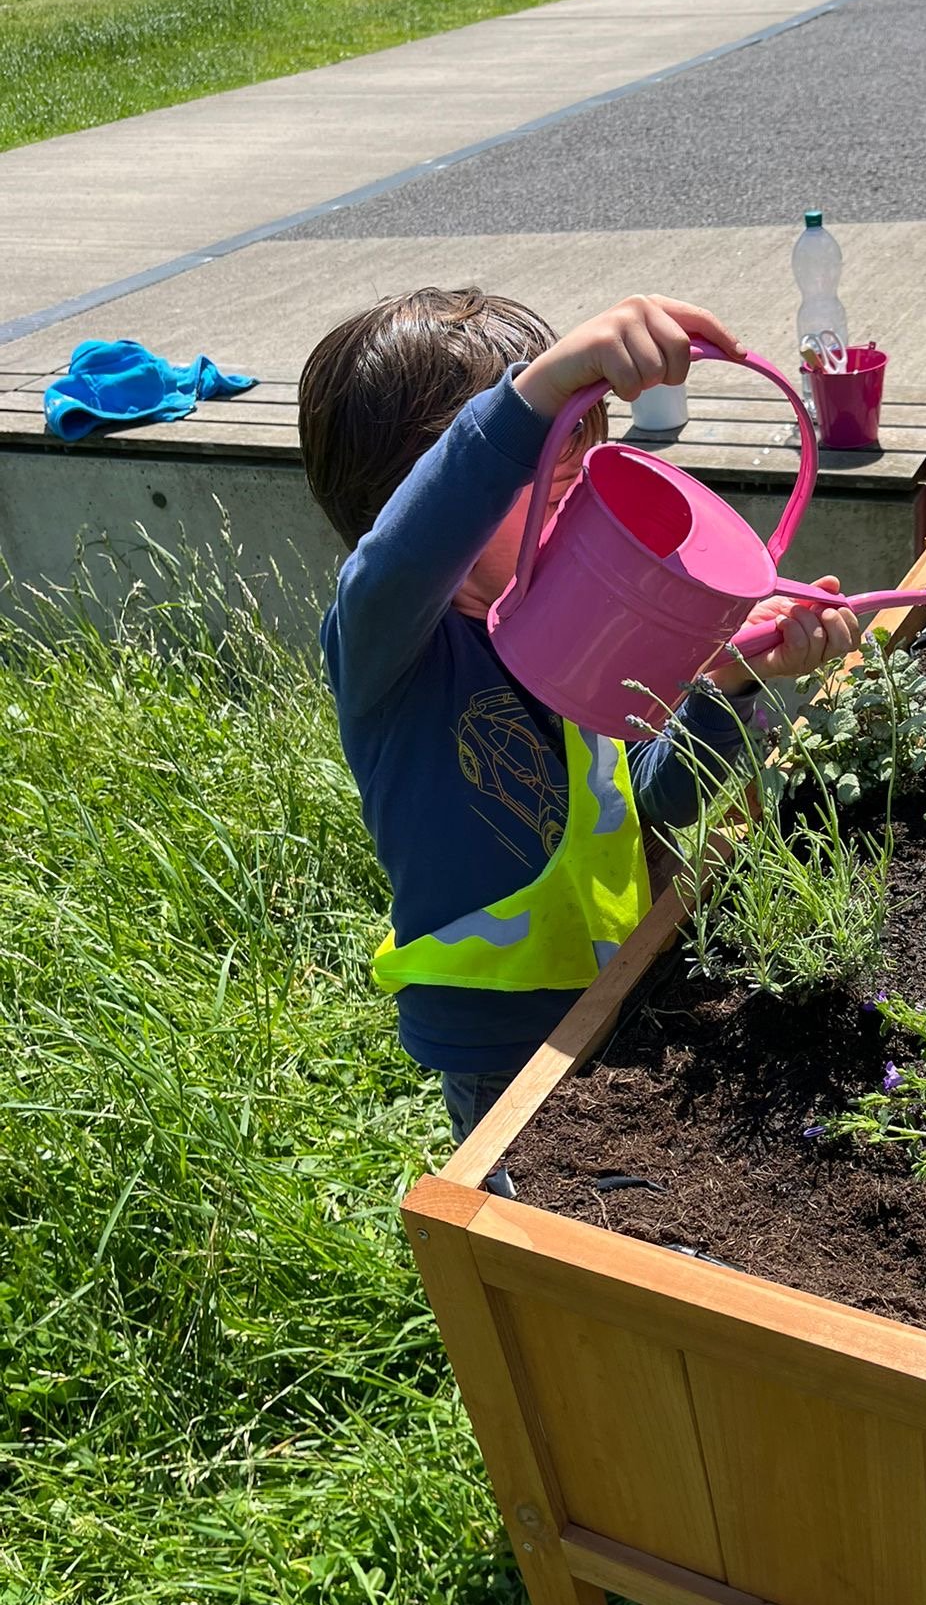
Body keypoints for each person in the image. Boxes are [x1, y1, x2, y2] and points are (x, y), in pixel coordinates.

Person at [299, 287, 858, 1148]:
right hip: (500, 1043)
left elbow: (641, 796)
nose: (569, 507)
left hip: (619, 985)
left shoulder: (569, 621)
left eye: (575, 472)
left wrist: (728, 682)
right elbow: (405, 553)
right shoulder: (390, 651)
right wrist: (533, 399)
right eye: (541, 480)